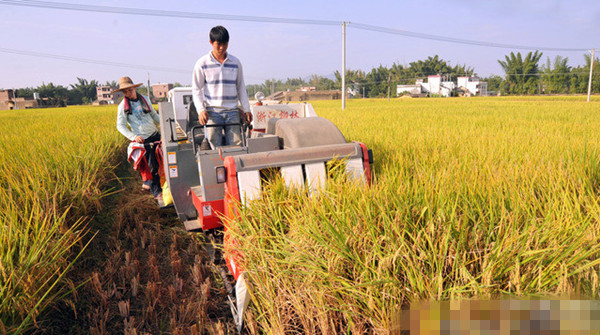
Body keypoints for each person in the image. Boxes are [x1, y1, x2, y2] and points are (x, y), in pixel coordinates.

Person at [191, 25, 252, 149]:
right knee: (214, 147)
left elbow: (241, 87)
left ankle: (234, 169)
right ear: (211, 43)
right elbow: (196, 89)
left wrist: (247, 109)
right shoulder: (202, 63)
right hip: (213, 112)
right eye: (218, 44)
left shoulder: (235, 63)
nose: (221, 48)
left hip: (232, 111)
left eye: (225, 44)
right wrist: (201, 110)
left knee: (236, 146)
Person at [115, 76, 163, 200]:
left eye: (130, 90)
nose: (128, 93)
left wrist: (165, 124)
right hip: (143, 140)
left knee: (162, 162)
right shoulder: (122, 106)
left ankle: (152, 184)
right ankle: (157, 192)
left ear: (135, 88)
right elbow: (120, 126)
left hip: (154, 135)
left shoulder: (145, 99)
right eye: (125, 91)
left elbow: (153, 115)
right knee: (151, 167)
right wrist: (134, 137)